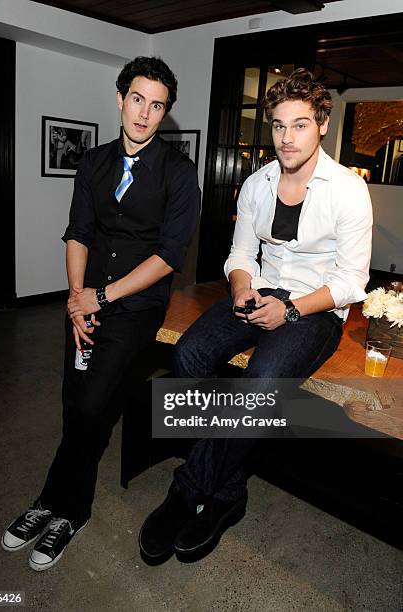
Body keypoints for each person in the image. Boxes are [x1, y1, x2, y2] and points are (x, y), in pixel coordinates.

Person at [139, 68, 373, 563]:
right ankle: (228, 488)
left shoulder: (349, 190)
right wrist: (244, 288)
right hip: (260, 290)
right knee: (188, 354)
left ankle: (190, 491)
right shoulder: (257, 183)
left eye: (301, 125)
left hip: (316, 307)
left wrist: (289, 309)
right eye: (280, 126)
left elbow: (353, 282)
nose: (288, 138)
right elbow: (239, 253)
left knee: (261, 383)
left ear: (323, 124)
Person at [1, 56, 201, 571]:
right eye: (137, 99)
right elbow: (79, 234)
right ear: (120, 98)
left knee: (91, 407)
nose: (144, 113)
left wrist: (103, 298)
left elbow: (167, 257)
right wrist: (76, 298)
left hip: (134, 309)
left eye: (157, 106)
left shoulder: (179, 174)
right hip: (85, 303)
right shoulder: (93, 164)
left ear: (165, 114)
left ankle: (61, 508)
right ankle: (60, 504)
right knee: (76, 403)